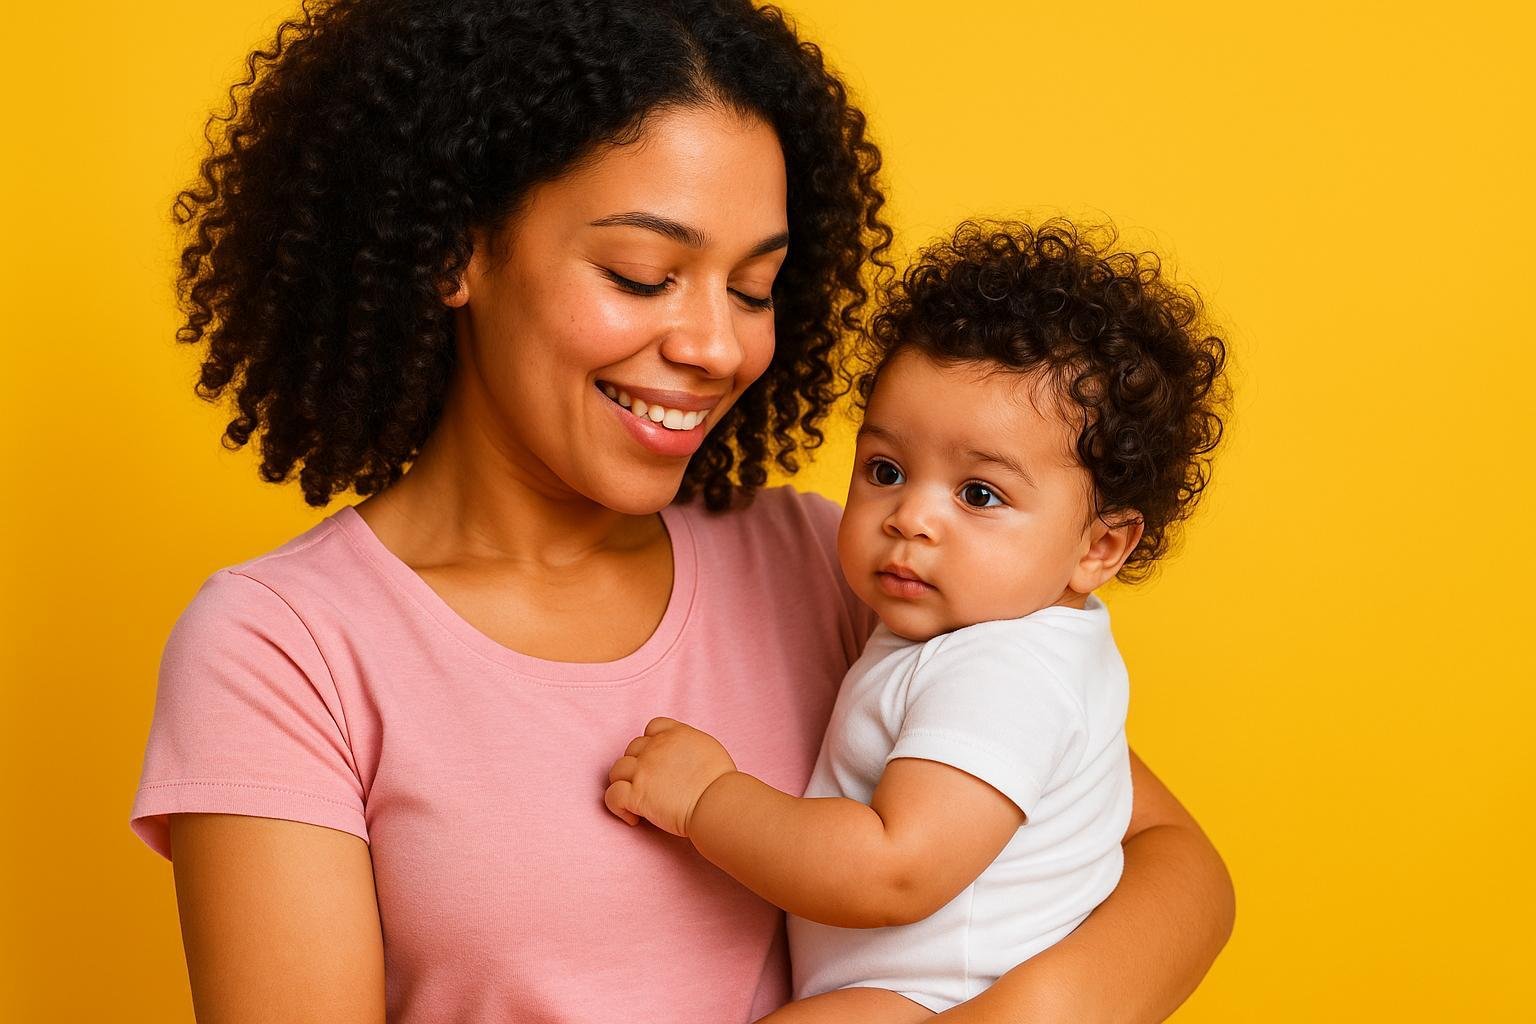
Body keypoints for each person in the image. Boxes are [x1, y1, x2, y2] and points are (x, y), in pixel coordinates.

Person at [129, 2, 1235, 1021]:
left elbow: (1172, 865)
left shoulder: (841, 561)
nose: (716, 346)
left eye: (753, 290)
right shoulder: (286, 649)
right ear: (454, 248)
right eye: (643, 273)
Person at [605, 219, 1229, 1021]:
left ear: (1100, 546)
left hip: (938, 999)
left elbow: (894, 871)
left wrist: (708, 800)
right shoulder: (997, 637)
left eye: (979, 494)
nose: (911, 518)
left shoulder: (1003, 670)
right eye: (887, 470)